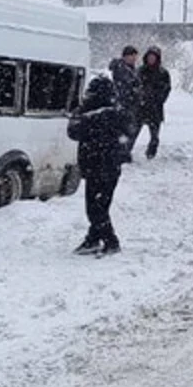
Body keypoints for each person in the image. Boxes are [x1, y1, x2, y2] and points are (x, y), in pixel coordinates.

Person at [66, 71, 134, 256]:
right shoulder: (117, 112)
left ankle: (111, 241)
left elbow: (73, 131)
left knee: (95, 208)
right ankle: (93, 239)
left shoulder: (91, 115)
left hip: (96, 166)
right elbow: (128, 133)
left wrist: (83, 115)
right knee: (100, 206)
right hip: (109, 167)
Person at [110, 45, 144, 158]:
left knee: (130, 129)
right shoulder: (121, 68)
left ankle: (124, 152)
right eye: (131, 56)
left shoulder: (131, 69)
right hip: (124, 104)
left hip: (130, 105)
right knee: (125, 129)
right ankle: (122, 152)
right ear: (125, 56)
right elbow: (125, 86)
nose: (134, 58)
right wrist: (134, 90)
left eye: (135, 56)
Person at [139, 46, 173, 159]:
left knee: (154, 134)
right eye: (149, 57)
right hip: (141, 106)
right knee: (133, 131)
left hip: (155, 107)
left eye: (153, 57)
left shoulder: (163, 73)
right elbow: (135, 86)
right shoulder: (140, 70)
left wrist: (160, 99)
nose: (151, 59)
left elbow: (167, 88)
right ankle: (126, 152)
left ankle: (151, 151)